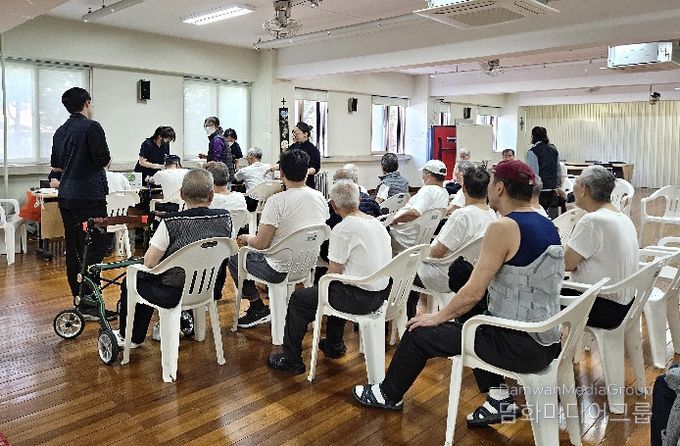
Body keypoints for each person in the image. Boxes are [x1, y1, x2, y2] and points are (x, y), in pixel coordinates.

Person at [352, 160, 563, 429]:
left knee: (419, 333)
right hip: (546, 341)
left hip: (515, 344)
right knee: (466, 298)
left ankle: (387, 394)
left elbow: (473, 293)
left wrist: (437, 317)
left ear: (499, 188)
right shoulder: (546, 223)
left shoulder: (504, 227)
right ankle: (499, 399)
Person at [267, 181, 392, 374]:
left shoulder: (343, 229)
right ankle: (334, 344)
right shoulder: (377, 223)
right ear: (359, 200)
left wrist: (317, 289)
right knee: (338, 287)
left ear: (333, 206)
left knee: (300, 299)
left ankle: (291, 360)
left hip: (360, 299)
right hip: (382, 294)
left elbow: (333, 273)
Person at [115, 168, 232, 347]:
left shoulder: (171, 222)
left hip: (172, 292)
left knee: (134, 279)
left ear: (182, 194)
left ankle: (131, 337)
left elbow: (150, 262)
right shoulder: (225, 218)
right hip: (210, 288)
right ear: (211, 195)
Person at [229, 149, 329, 328]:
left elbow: (261, 244)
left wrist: (246, 238)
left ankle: (257, 307)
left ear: (281, 173)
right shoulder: (320, 197)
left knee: (235, 259)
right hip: (307, 265)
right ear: (307, 172)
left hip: (278, 268)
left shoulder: (276, 201)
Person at [50, 87, 113, 321]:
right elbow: (103, 159)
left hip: (67, 197)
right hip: (89, 197)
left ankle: (80, 299)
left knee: (75, 250)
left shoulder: (60, 131)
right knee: (95, 249)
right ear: (87, 103)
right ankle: (90, 304)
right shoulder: (92, 127)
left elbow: (57, 166)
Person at [563, 165, 639, 329]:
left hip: (603, 308)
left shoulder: (592, 220)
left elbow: (566, 264)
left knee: (540, 295)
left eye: (576, 181)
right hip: (626, 303)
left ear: (583, 190)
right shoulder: (622, 217)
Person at [413, 166, 497, 302]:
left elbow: (437, 252)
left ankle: (408, 314)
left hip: (445, 274)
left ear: (463, 189)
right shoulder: (492, 215)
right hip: (470, 273)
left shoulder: (462, 216)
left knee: (402, 270)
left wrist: (418, 253)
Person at [389, 159, 449, 250]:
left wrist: (394, 220)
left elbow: (414, 213)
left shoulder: (427, 190)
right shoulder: (445, 193)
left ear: (429, 175)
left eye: (423, 173)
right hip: (421, 240)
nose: (422, 176)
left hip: (404, 236)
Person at [269, 122, 321, 189]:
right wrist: (271, 168)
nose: (295, 135)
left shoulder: (313, 149)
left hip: (306, 184)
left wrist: (301, 172)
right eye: (294, 133)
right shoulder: (293, 147)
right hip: (290, 184)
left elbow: (314, 168)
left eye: (297, 133)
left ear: (305, 134)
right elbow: (283, 161)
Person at [525, 126, 560, 216]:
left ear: (533, 136)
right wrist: (558, 185)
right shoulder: (554, 150)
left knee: (539, 215)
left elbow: (533, 174)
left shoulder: (533, 152)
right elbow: (558, 169)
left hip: (540, 191)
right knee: (553, 217)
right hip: (553, 189)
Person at [234, 146, 272, 212]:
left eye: (247, 156)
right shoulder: (269, 167)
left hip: (252, 203)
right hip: (267, 201)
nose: (246, 158)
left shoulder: (245, 170)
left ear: (251, 156)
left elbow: (236, 178)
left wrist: (237, 165)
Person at [200, 116, 235, 181]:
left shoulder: (217, 140)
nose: (207, 127)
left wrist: (204, 165)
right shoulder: (218, 138)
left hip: (222, 176)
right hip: (223, 174)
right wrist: (206, 157)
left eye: (210, 125)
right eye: (206, 126)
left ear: (216, 126)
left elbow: (217, 160)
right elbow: (220, 155)